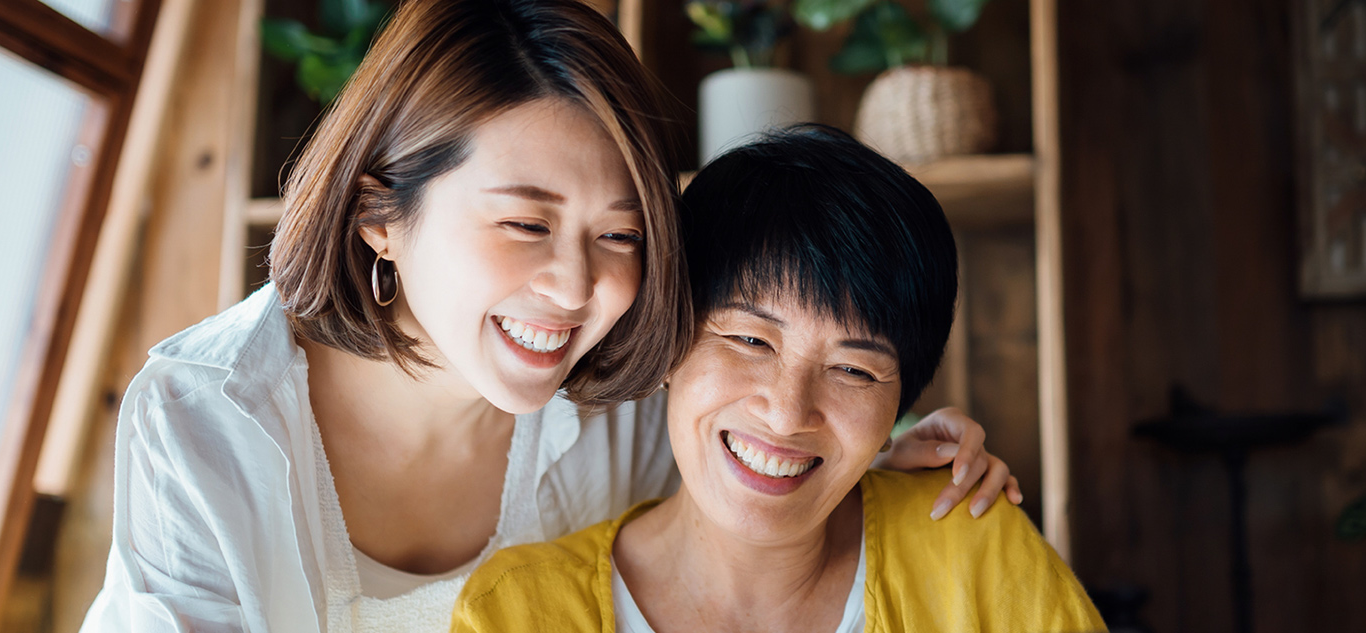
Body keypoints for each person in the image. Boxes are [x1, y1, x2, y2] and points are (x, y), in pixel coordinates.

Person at [79, 2, 1019, 631]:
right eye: (525, 222)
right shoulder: (205, 419)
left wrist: (880, 466)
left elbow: (766, 452)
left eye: (618, 235)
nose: (576, 288)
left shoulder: (630, 405)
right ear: (379, 216)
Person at [453, 126, 1104, 633]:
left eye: (853, 369)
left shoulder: (971, 551)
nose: (789, 411)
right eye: (750, 340)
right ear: (670, 340)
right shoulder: (518, 610)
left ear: (899, 399)